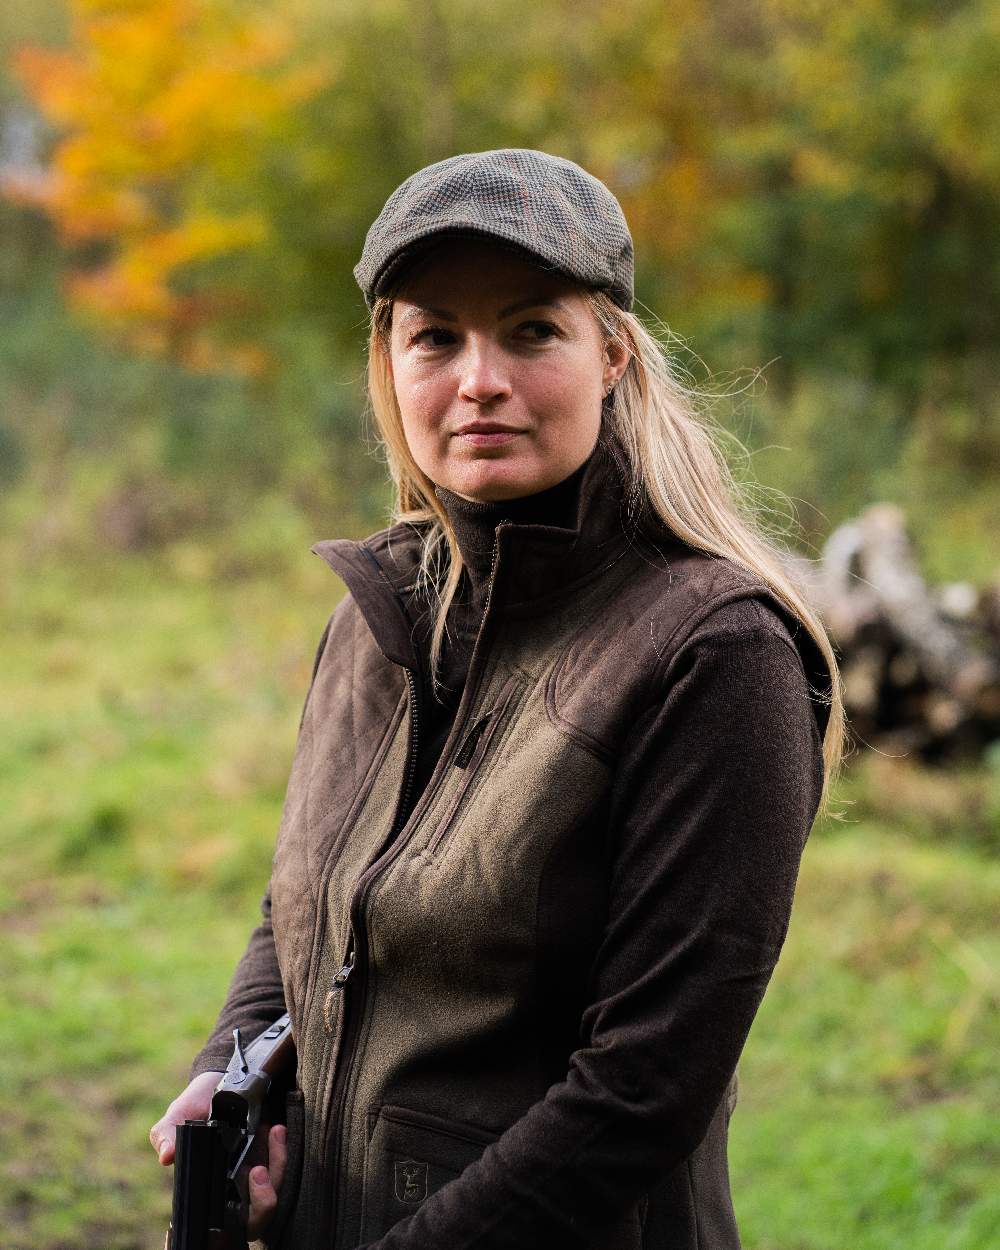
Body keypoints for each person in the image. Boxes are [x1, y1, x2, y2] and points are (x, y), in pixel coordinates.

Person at [150, 148, 845, 1250]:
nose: (479, 377)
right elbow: (311, 905)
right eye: (435, 334)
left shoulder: (714, 654)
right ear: (387, 361)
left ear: (611, 353)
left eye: (530, 330)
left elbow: (642, 1087)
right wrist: (227, 1075)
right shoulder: (377, 615)